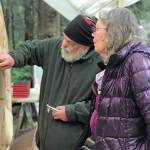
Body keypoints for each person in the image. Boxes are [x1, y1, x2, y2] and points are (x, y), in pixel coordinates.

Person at [0, 15, 101, 150]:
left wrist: (72, 112)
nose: (63, 44)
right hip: (41, 142)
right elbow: (31, 49)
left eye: (70, 42)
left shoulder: (101, 64)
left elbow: (104, 107)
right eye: (64, 37)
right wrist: (13, 57)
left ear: (86, 46)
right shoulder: (55, 47)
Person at [91, 8, 150, 149]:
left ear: (113, 32)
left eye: (96, 29)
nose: (92, 34)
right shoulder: (117, 63)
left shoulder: (137, 61)